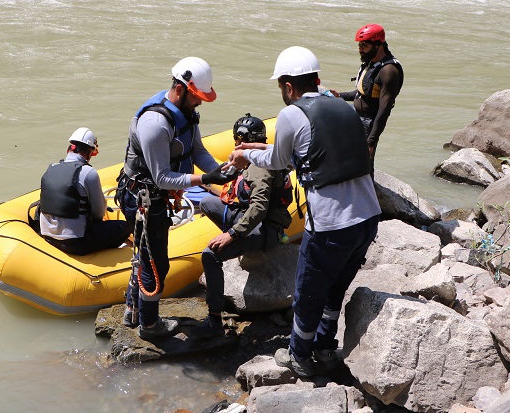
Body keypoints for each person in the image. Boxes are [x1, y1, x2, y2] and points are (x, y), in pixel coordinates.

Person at [228, 46, 381, 377]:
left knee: (308, 292)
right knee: (336, 288)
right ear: (316, 79)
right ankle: (325, 349)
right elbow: (315, 151)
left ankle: (298, 355)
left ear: (287, 86)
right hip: (367, 217)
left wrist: (246, 155)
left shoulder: (291, 114)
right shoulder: (344, 108)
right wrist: (260, 147)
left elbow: (278, 161)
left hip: (330, 225)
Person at [118, 56, 237, 340]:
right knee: (156, 264)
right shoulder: (155, 124)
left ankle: (133, 310)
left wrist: (220, 172)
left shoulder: (186, 113)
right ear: (181, 89)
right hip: (142, 198)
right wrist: (205, 180)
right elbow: (162, 178)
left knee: (146, 255)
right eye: (197, 97)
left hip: (155, 195)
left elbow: (197, 151)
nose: (199, 103)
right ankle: (149, 325)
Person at [194, 113, 294, 338]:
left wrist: (231, 234)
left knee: (210, 255)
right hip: (250, 218)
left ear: (243, 140)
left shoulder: (260, 166)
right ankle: (238, 245)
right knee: (207, 202)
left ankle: (214, 319)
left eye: (238, 140)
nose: (236, 144)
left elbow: (259, 207)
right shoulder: (257, 157)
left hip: (265, 228)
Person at [38, 128, 131, 255]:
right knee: (124, 227)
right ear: (89, 153)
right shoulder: (88, 172)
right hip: (76, 243)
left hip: (48, 236)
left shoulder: (51, 169)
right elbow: (98, 214)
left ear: (68, 149)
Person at [333, 23, 404, 166]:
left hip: (368, 124)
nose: (360, 49)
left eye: (364, 46)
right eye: (359, 45)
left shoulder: (389, 71)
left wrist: (371, 141)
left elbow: (384, 110)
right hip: (356, 115)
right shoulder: (371, 63)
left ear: (378, 45)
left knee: (363, 165)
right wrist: (339, 96)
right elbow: (364, 94)